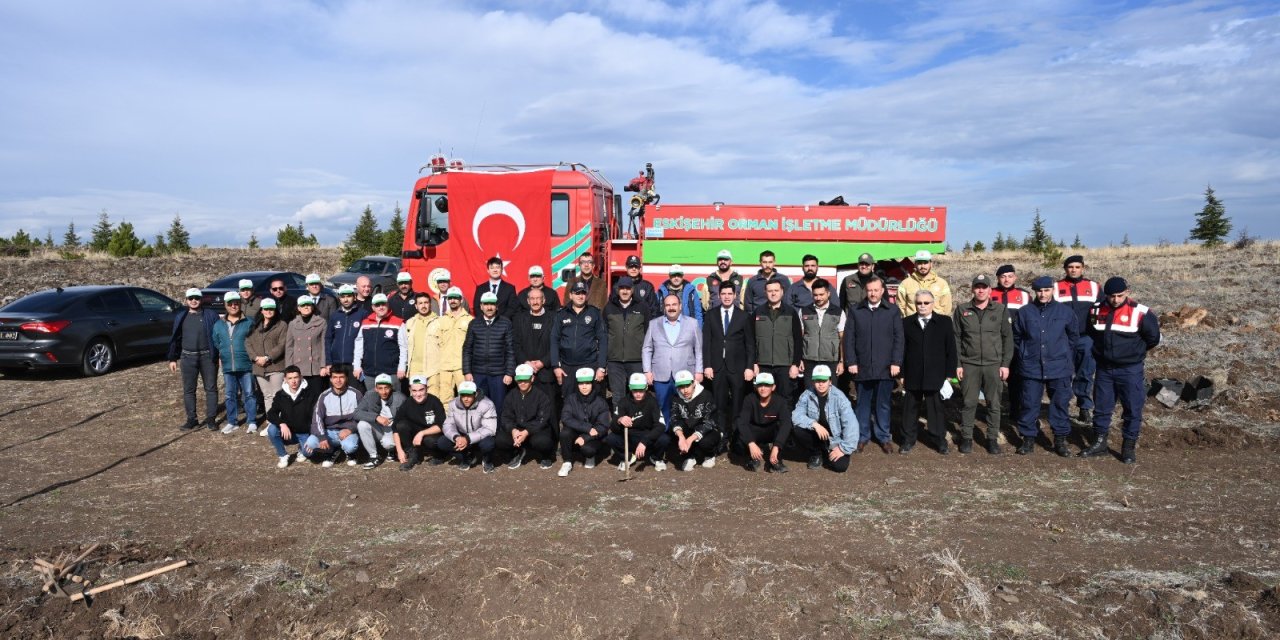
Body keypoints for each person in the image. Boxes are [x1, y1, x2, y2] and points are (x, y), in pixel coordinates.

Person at [1080, 277, 1160, 464]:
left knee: (1132, 408)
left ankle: (1128, 447)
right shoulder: (1096, 310)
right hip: (1104, 369)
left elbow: (1153, 338)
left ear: (1127, 292)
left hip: (1130, 370)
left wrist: (1133, 353)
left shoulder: (1141, 313)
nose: (1115, 300)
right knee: (1101, 408)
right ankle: (1099, 443)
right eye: (1111, 296)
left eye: (1119, 296)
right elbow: (1092, 333)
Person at [1013, 276, 1080, 456]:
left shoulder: (1065, 312)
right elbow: (1017, 338)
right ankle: (1028, 440)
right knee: (1029, 404)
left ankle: (1060, 440)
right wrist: (1025, 354)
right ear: (1035, 291)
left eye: (1046, 290)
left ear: (1052, 290)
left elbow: (1073, 338)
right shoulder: (1025, 312)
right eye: (1039, 291)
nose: (1043, 294)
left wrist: (1063, 355)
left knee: (1059, 404)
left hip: (1059, 367)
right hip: (1031, 367)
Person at [955, 274, 1014, 454]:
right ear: (972, 289)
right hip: (969, 364)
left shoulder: (1000, 310)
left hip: (993, 365)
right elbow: (956, 338)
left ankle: (992, 439)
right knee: (968, 402)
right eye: (977, 287)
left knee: (994, 404)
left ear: (990, 289)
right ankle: (966, 438)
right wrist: (958, 364)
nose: (981, 290)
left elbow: (1007, 338)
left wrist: (1005, 364)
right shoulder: (962, 309)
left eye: (984, 287)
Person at [900, 290, 957, 454]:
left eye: (926, 303)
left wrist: (949, 374)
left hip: (936, 375)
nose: (922, 306)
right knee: (909, 410)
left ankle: (939, 440)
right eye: (919, 303)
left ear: (933, 304)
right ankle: (907, 440)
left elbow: (950, 350)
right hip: (913, 373)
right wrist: (902, 374)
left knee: (936, 411)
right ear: (914, 304)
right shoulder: (906, 323)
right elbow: (902, 350)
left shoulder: (944, 322)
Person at [703, 280, 755, 449]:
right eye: (723, 294)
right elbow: (707, 342)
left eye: (729, 294)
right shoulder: (710, 315)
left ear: (735, 295)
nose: (726, 297)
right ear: (719, 296)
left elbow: (750, 344)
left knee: (737, 405)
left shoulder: (744, 316)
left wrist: (749, 366)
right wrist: (707, 365)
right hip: (717, 367)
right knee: (719, 405)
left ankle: (737, 438)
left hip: (738, 368)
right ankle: (721, 437)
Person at [643, 294, 703, 426]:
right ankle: (665, 438)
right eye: (668, 305)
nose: (671, 308)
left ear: (680, 306)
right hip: (660, 374)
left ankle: (683, 439)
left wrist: (699, 371)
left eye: (674, 305)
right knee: (663, 407)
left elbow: (698, 349)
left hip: (685, 374)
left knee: (686, 409)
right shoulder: (654, 324)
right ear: (664, 307)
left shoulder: (692, 323)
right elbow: (647, 348)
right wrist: (647, 371)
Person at [1056, 255, 1101, 425]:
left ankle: (1084, 408)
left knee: (1085, 373)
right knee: (1063, 374)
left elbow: (1103, 310)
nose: (1073, 270)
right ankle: (1062, 407)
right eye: (1070, 267)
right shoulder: (1055, 287)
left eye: (1077, 267)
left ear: (1083, 268)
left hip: (1086, 338)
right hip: (1063, 339)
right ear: (1065, 269)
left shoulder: (1094, 287)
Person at [168, 287, 220, 431]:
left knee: (211, 388)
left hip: (207, 357)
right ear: (186, 300)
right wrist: (173, 358)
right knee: (189, 390)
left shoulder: (210, 315)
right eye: (191, 298)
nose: (194, 301)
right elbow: (176, 338)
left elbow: (218, 336)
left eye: (196, 298)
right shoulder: (181, 316)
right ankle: (192, 419)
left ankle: (211, 419)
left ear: (201, 299)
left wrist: (219, 354)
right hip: (187, 357)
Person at [790, 365, 857, 472]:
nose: (820, 384)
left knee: (840, 467)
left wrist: (843, 449)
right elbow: (796, 415)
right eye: (817, 381)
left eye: (824, 380)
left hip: (835, 439)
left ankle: (827, 451)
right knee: (796, 428)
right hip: (817, 435)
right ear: (813, 382)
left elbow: (851, 426)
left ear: (830, 381)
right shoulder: (807, 395)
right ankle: (816, 453)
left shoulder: (840, 398)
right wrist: (814, 424)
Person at [550, 282, 608, 399]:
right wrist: (556, 366)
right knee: (569, 401)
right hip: (567, 367)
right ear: (570, 295)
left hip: (589, 364)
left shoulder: (594, 313)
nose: (580, 296)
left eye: (583, 293)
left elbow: (603, 340)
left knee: (591, 401)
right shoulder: (561, 314)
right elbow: (554, 339)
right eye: (577, 293)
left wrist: (601, 367)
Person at [211, 292, 257, 434]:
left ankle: (252, 421)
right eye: (230, 303)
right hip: (228, 365)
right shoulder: (219, 324)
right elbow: (216, 341)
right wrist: (225, 353)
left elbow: (254, 341)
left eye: (236, 303)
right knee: (230, 395)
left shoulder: (249, 322)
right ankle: (232, 421)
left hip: (245, 364)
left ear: (240, 304)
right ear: (225, 305)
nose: (233, 306)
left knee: (249, 393)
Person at [751, 280, 802, 405]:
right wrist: (754, 363)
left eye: (776, 290)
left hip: (785, 365)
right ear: (765, 293)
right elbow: (751, 340)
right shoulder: (757, 312)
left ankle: (785, 424)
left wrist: (795, 364)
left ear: (782, 292)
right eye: (770, 291)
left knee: (786, 399)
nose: (773, 293)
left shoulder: (791, 312)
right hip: (763, 365)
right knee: (763, 399)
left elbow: (798, 339)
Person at [604, 277, 652, 408]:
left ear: (632, 290)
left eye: (627, 288)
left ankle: (637, 426)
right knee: (618, 396)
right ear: (617, 290)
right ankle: (618, 426)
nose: (624, 291)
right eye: (622, 288)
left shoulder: (643, 307)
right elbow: (604, 335)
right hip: (615, 361)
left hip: (636, 360)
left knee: (637, 395)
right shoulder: (609, 308)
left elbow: (649, 334)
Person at [462, 291, 515, 410]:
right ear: (481, 306)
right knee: (478, 407)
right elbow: (467, 349)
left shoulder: (506, 323)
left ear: (497, 306)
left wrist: (509, 373)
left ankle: (498, 429)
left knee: (499, 406)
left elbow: (510, 350)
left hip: (498, 374)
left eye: (492, 304)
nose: (489, 307)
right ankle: (481, 429)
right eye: (486, 304)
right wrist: (467, 372)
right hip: (478, 374)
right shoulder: (474, 323)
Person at [302, 365, 363, 467]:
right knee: (310, 445)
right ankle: (331, 451)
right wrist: (322, 437)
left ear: (347, 378)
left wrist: (350, 429)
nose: (338, 380)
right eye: (335, 377)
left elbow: (362, 416)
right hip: (329, 432)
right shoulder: (324, 396)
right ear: (330, 379)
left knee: (350, 446)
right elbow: (317, 419)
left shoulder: (356, 394)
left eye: (341, 377)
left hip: (348, 432)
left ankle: (351, 454)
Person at [991, 264, 1030, 424]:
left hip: (1017, 342)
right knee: (993, 378)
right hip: (994, 342)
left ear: (1015, 277)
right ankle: (993, 411)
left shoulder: (1025, 295)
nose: (1006, 279)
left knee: (1016, 378)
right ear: (998, 278)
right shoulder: (990, 293)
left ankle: (1015, 409)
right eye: (1002, 276)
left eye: (1009, 276)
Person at [497, 364, 556, 469]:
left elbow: (542, 420)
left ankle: (546, 456)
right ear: (516, 380)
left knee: (543, 442)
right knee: (500, 440)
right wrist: (513, 430)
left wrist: (526, 432)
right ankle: (516, 452)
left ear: (532, 378)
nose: (522, 383)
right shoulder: (511, 395)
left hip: (535, 430)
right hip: (518, 429)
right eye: (520, 380)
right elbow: (506, 417)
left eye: (526, 380)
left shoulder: (541, 396)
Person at [608, 373, 669, 471]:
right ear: (630, 389)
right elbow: (613, 426)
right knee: (611, 438)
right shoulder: (623, 402)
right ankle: (627, 457)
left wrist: (645, 441)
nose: (638, 393)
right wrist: (620, 420)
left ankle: (655, 457)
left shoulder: (652, 402)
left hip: (647, 436)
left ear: (646, 388)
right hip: (629, 437)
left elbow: (661, 425)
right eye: (635, 390)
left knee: (664, 439)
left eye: (641, 390)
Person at [424, 287, 472, 407]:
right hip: (444, 366)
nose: (453, 300)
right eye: (450, 298)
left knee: (466, 397)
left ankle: (465, 424)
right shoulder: (440, 321)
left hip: (462, 367)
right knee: (445, 399)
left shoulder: (470, 320)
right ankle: (447, 424)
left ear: (461, 300)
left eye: (455, 298)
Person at [557, 368, 611, 476]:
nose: (584, 386)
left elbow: (603, 426)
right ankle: (567, 462)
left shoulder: (600, 402)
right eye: (581, 383)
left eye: (587, 383)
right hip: (578, 431)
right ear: (577, 385)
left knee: (588, 450)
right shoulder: (571, 399)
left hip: (594, 435)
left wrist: (586, 437)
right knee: (565, 433)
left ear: (592, 384)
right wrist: (587, 428)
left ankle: (590, 457)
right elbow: (566, 418)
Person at [246, 298, 288, 434]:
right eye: (266, 309)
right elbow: (248, 342)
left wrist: (268, 357)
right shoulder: (255, 325)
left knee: (277, 395)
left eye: (271, 309)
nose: (268, 311)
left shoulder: (281, 325)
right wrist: (255, 357)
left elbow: (282, 345)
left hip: (276, 366)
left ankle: (280, 424)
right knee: (267, 396)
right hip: (259, 367)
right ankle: (271, 422)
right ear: (262, 310)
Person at [736, 373, 792, 473]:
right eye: (760, 385)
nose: (763, 388)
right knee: (740, 436)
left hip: (771, 431)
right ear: (756, 386)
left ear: (773, 387)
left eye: (767, 385)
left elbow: (786, 423)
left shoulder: (780, 401)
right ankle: (753, 457)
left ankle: (776, 460)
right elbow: (742, 422)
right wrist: (751, 443)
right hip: (755, 431)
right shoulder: (749, 399)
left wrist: (776, 446)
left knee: (784, 428)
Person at [512, 287, 558, 407]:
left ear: (544, 300)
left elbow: (557, 344)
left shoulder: (554, 318)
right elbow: (516, 344)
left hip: (546, 373)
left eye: (538, 298)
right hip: (526, 373)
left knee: (550, 411)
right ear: (528, 301)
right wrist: (526, 362)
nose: (535, 301)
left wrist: (543, 362)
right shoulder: (519, 319)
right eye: (532, 298)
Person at [352, 293, 408, 393]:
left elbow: (404, 347)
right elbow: (359, 346)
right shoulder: (365, 323)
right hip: (369, 373)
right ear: (373, 307)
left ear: (387, 305)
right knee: (373, 402)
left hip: (391, 373)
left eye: (383, 304)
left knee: (394, 402)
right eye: (377, 305)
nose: (381, 307)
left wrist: (402, 368)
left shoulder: (398, 323)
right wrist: (357, 366)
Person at [266, 366, 319, 468]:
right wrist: (281, 424)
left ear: (301, 377)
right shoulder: (280, 395)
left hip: (305, 432)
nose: (293, 381)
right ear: (285, 379)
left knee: (309, 453)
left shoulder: (311, 394)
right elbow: (271, 413)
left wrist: (314, 433)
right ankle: (283, 455)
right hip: (288, 433)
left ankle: (302, 449)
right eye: (290, 378)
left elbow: (317, 415)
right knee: (272, 429)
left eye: (296, 377)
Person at [438, 381, 497, 472]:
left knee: (488, 444)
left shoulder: (487, 404)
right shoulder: (453, 404)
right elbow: (448, 424)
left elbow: (490, 428)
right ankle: (466, 457)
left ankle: (487, 460)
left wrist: (468, 438)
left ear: (475, 394)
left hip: (480, 437)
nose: (466, 398)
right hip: (462, 435)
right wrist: (456, 437)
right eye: (463, 395)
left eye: (469, 395)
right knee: (442, 442)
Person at [668, 370, 721, 471]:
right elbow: (674, 418)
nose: (685, 390)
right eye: (681, 387)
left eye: (687, 386)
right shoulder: (676, 398)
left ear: (693, 383)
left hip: (706, 430)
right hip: (688, 429)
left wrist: (690, 439)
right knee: (674, 433)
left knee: (706, 442)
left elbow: (709, 422)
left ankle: (710, 455)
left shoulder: (706, 395)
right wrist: (681, 436)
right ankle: (690, 456)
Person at [798, 278, 844, 391]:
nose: (818, 298)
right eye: (815, 295)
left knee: (831, 393)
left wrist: (841, 361)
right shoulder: (804, 311)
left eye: (821, 294)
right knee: (810, 392)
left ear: (828, 293)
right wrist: (799, 359)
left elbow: (842, 338)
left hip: (831, 360)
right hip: (809, 360)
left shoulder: (838, 312)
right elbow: (800, 337)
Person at [392, 375, 447, 471]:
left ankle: (439, 456)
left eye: (421, 390)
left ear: (427, 388)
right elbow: (395, 428)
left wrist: (421, 433)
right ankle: (413, 454)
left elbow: (441, 425)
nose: (418, 394)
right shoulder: (407, 403)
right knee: (401, 425)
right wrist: (399, 450)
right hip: (416, 434)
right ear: (410, 390)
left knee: (430, 441)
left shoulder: (434, 401)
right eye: (414, 391)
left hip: (432, 435)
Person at [353, 373, 406, 468]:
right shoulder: (369, 395)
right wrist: (376, 417)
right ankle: (373, 456)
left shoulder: (400, 397)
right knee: (362, 424)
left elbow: (406, 420)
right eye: (380, 388)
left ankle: (392, 451)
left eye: (386, 388)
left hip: (393, 429)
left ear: (391, 387)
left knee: (388, 444)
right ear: (376, 388)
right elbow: (356, 413)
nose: (384, 392)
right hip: (378, 428)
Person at [324, 284, 369, 377]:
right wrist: (328, 362)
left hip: (355, 363)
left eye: (348, 296)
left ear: (354, 297)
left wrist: (363, 362)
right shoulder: (335, 315)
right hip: (337, 362)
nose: (346, 299)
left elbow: (367, 340)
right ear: (339, 298)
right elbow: (328, 339)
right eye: (342, 296)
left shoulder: (363, 314)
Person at [286, 295, 328, 391]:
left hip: (315, 367)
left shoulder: (321, 322)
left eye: (308, 304)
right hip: (298, 367)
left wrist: (323, 366)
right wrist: (289, 369)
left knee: (316, 396)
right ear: (298, 308)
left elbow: (324, 345)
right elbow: (289, 347)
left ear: (312, 307)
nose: (306, 307)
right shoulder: (293, 324)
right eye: (303, 305)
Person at [898, 250, 952, 317]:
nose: (923, 266)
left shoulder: (942, 284)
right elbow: (900, 307)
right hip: (913, 325)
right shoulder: (905, 284)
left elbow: (946, 308)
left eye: (925, 263)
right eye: (920, 263)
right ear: (915, 264)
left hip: (936, 325)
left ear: (931, 264)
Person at [403, 292, 435, 384]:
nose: (423, 306)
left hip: (432, 369)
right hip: (415, 369)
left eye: (426, 302)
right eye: (420, 303)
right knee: (416, 396)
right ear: (416, 306)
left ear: (430, 304)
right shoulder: (410, 323)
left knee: (433, 396)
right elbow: (404, 345)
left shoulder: (438, 322)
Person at [839, 252, 878, 317]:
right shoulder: (847, 280)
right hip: (851, 321)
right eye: (861, 264)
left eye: (867, 264)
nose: (864, 266)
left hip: (871, 321)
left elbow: (885, 305)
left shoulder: (879, 282)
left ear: (872, 266)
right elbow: (841, 304)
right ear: (858, 265)